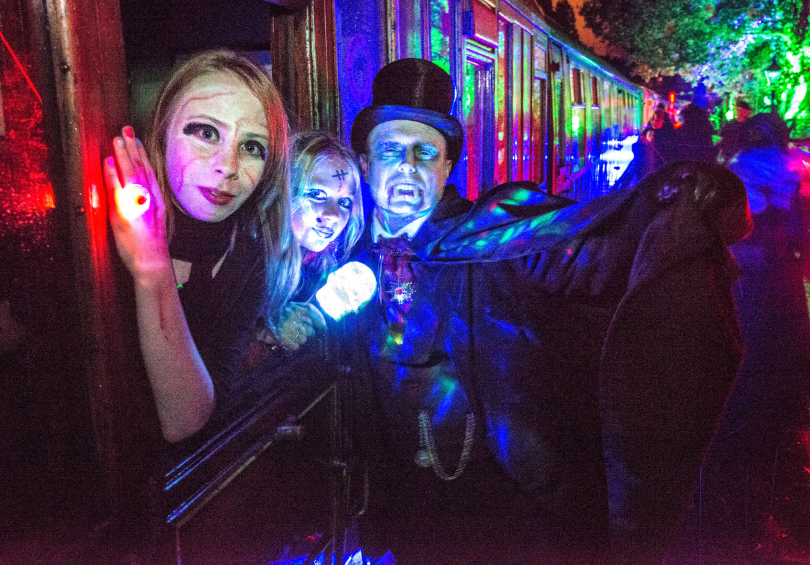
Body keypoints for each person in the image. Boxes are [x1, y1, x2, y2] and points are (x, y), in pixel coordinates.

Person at [347, 58, 751, 564]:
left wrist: (674, 200)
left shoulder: (496, 235)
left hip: (506, 508)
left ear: (447, 167)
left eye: (425, 152)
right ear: (365, 164)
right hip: (407, 515)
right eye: (390, 151)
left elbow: (597, 247)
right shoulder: (344, 258)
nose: (408, 166)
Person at [102, 50, 299, 443]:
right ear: (160, 133)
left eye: (252, 147)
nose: (228, 165)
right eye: (206, 133)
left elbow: (186, 419)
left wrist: (150, 264)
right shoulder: (97, 230)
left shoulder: (248, 256)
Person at [701, 112, 810, 551]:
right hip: (782, 285)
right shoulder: (798, 174)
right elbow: (803, 235)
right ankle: (764, 477)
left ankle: (721, 470)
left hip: (740, 283)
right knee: (779, 377)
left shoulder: (728, 174)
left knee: (738, 368)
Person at [252, 131, 365, 353]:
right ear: (283, 192)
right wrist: (266, 328)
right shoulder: (246, 261)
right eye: (317, 194)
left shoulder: (325, 269)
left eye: (344, 202)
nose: (333, 215)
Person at [717, 99, 753, 164]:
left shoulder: (750, 126)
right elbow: (722, 140)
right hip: (727, 156)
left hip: (742, 159)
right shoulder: (729, 124)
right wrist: (720, 151)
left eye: (742, 110)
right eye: (738, 110)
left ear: (747, 112)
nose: (739, 113)